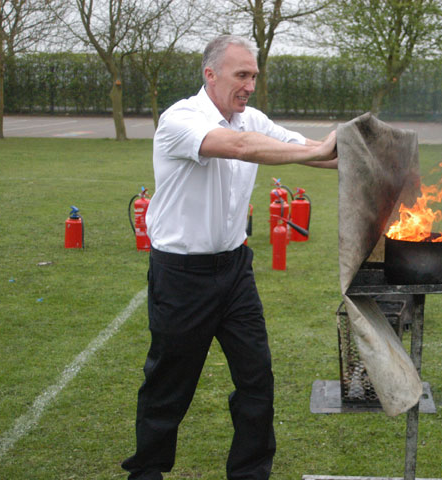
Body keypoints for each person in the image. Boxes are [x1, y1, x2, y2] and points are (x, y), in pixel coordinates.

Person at [121, 35, 337, 480]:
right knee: (168, 387)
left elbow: (300, 146)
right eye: (242, 75)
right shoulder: (180, 119)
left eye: (254, 76)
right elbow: (239, 148)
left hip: (235, 270)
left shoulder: (250, 118)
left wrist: (360, 153)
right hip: (181, 275)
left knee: (256, 380)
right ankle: (146, 473)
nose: (250, 85)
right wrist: (313, 151)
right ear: (210, 74)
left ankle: (250, 473)